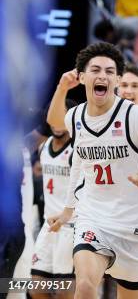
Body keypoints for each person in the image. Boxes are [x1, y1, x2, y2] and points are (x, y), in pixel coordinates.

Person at [45, 43, 138, 299]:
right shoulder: (77, 117)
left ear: (116, 79)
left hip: (136, 227)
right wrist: (69, 209)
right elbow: (68, 142)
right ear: (82, 77)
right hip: (94, 218)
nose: (102, 75)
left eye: (109, 71)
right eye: (95, 70)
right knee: (84, 286)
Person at [30, 99, 78, 299]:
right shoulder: (43, 147)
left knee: (64, 293)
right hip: (48, 227)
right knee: (36, 289)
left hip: (71, 228)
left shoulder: (78, 148)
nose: (57, 124)